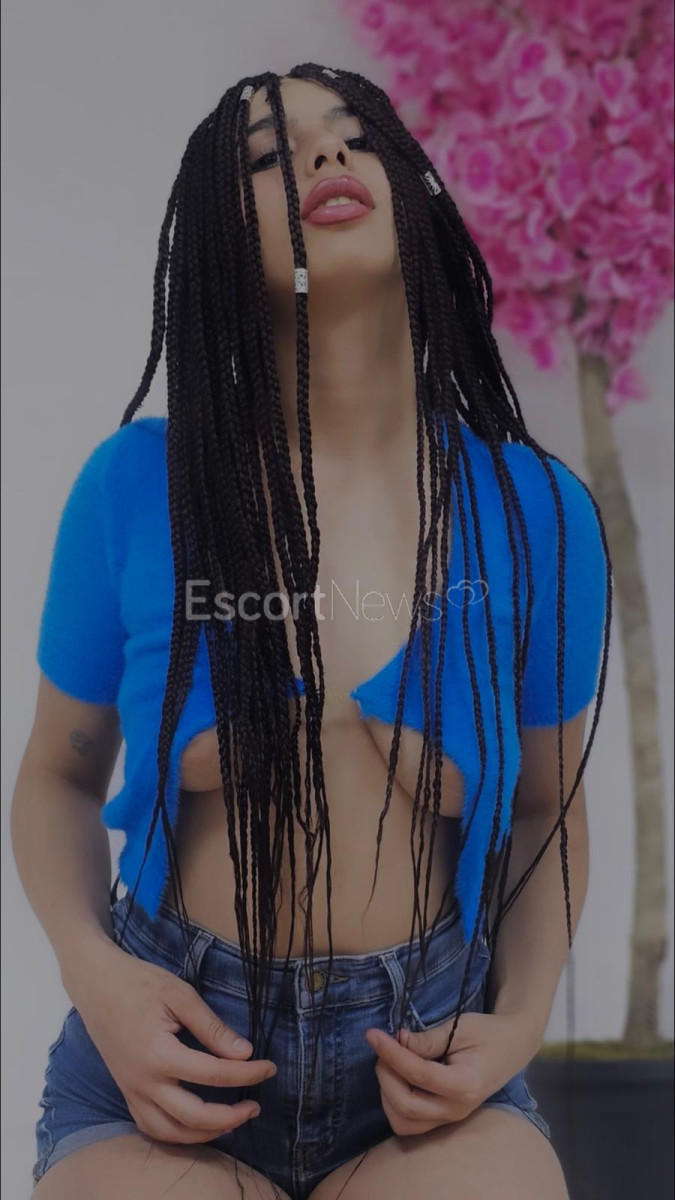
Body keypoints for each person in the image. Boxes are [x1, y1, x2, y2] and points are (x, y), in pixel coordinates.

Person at [13, 63, 611, 1200]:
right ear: (217, 246)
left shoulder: (537, 511)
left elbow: (550, 804)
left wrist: (521, 1019)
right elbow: (56, 777)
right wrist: (95, 976)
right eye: (268, 156)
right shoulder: (136, 486)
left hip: (423, 1066)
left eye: (354, 136)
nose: (327, 156)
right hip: (168, 1054)